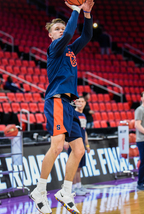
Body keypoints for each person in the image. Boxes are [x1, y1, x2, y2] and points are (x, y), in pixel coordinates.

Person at [29, 1, 94, 213]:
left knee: (79, 149)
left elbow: (85, 37)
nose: (60, 30)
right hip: (56, 100)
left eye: (61, 27)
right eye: (56, 29)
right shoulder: (55, 47)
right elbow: (68, 34)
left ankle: (66, 191)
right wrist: (75, 10)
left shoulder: (69, 49)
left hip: (69, 104)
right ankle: (39, 190)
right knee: (57, 147)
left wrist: (86, 13)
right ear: (51, 35)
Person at [63, 97, 91, 196]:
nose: (80, 103)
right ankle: (72, 187)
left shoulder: (83, 115)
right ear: (75, 102)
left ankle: (79, 185)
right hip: (73, 143)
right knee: (74, 166)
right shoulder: (73, 114)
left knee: (79, 167)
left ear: (85, 103)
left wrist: (87, 144)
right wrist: (65, 140)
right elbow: (66, 127)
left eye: (82, 101)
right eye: (78, 101)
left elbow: (84, 131)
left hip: (81, 144)